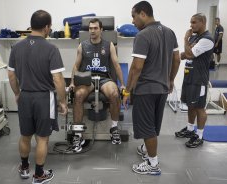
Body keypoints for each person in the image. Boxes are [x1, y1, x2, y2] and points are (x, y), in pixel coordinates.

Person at [8, 10, 68, 184]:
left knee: (25, 135)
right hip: (44, 98)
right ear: (47, 27)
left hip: (25, 96)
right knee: (42, 138)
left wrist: (18, 93)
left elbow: (11, 76)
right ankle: (39, 175)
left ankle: (25, 167)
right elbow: (57, 79)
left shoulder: (16, 47)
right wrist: (63, 101)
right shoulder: (51, 48)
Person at [122, 1, 180, 175]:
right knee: (153, 126)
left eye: (133, 16)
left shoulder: (143, 35)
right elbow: (176, 59)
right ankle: (147, 150)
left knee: (147, 128)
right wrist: (170, 80)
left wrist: (127, 90)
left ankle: (153, 164)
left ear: (143, 14)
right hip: (162, 88)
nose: (132, 21)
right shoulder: (170, 32)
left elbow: (136, 67)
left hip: (146, 89)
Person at [69, 18, 126, 152]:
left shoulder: (109, 45)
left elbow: (116, 65)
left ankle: (114, 128)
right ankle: (78, 134)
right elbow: (76, 66)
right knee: (78, 95)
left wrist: (122, 84)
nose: (92, 30)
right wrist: (72, 82)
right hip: (87, 79)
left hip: (104, 78)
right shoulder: (82, 45)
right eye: (90, 28)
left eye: (95, 28)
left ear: (101, 30)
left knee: (114, 93)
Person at [175, 13, 214, 148]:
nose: (191, 25)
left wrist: (186, 39)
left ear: (202, 22)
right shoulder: (196, 37)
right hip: (189, 76)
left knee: (199, 107)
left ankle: (200, 135)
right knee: (191, 105)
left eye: (194, 22)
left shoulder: (207, 39)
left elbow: (189, 54)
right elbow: (184, 55)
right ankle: (190, 129)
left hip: (198, 79)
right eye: (191, 22)